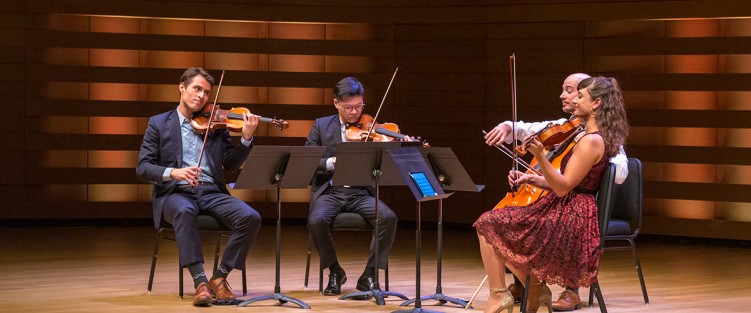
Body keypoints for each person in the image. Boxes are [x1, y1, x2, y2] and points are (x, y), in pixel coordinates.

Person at [474, 76, 629, 313]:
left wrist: (542, 157)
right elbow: (570, 183)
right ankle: (533, 288)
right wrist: (530, 178)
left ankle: (503, 295)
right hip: (566, 204)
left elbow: (564, 186)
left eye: (580, 96)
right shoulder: (588, 136)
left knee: (490, 225)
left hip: (572, 215)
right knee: (493, 225)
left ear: (596, 103)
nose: (575, 101)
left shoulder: (592, 142)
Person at [136, 67, 262, 306]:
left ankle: (220, 277)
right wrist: (174, 172)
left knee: (251, 217)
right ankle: (200, 282)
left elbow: (231, 164)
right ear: (182, 88)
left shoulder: (216, 124)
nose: (202, 96)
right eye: (197, 89)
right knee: (185, 211)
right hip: (175, 192)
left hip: (211, 191)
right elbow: (142, 167)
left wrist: (245, 138)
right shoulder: (159, 123)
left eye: (206, 92)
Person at [304, 77, 398, 296]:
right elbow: (308, 161)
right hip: (330, 190)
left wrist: (396, 145)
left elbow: (385, 163)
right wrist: (331, 162)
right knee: (316, 221)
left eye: (359, 106)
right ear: (336, 103)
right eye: (348, 107)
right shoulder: (321, 125)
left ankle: (369, 276)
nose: (355, 112)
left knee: (388, 217)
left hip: (360, 191)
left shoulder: (372, 128)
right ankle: (335, 271)